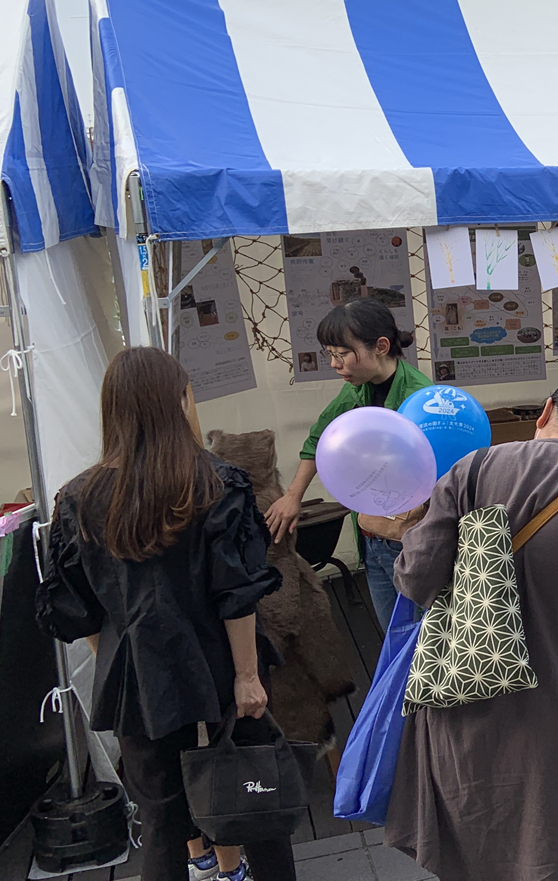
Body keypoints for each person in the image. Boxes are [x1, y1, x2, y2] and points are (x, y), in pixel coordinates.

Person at [383, 374, 558, 881]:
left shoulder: (474, 469)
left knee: (479, 846)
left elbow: (416, 577)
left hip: (468, 693)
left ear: (547, 410)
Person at [35, 348, 295, 881]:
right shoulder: (219, 482)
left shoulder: (79, 497)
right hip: (223, 656)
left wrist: (114, 661)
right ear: (178, 401)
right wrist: (247, 676)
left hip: (137, 669)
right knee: (256, 796)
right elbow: (236, 592)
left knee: (161, 820)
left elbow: (78, 610)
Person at [265, 298, 430, 627]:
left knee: (418, 637)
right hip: (370, 533)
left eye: (342, 354)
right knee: (392, 635)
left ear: (380, 346)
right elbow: (319, 439)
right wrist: (293, 496)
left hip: (407, 540)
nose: (334, 364)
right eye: (330, 354)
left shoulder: (421, 397)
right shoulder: (356, 390)